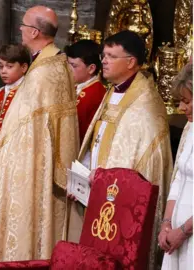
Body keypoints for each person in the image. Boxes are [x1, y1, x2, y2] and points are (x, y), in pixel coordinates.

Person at [0, 6, 79, 263]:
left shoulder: (43, 72)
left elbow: (27, 130)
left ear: (34, 32)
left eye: (23, 25)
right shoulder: (54, 63)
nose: (20, 28)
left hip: (31, 165)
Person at [71, 30, 172, 268]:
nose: (103, 60)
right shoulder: (113, 91)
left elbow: (141, 162)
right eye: (103, 55)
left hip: (119, 200)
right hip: (94, 188)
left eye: (110, 56)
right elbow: (96, 140)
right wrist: (82, 176)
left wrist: (104, 180)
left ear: (131, 62)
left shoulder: (145, 104)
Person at [159, 62, 193, 270]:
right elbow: (180, 178)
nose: (181, 108)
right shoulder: (191, 128)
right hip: (176, 234)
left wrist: (183, 230)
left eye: (187, 101)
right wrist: (166, 224)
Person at [65, 39, 106, 142]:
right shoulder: (76, 86)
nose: (68, 69)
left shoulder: (96, 93)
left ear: (91, 68)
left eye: (74, 66)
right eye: (68, 64)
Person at [0, 44, 30, 139]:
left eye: (9, 66)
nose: (3, 71)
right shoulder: (0, 92)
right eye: (1, 66)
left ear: (23, 68)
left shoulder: (26, 92)